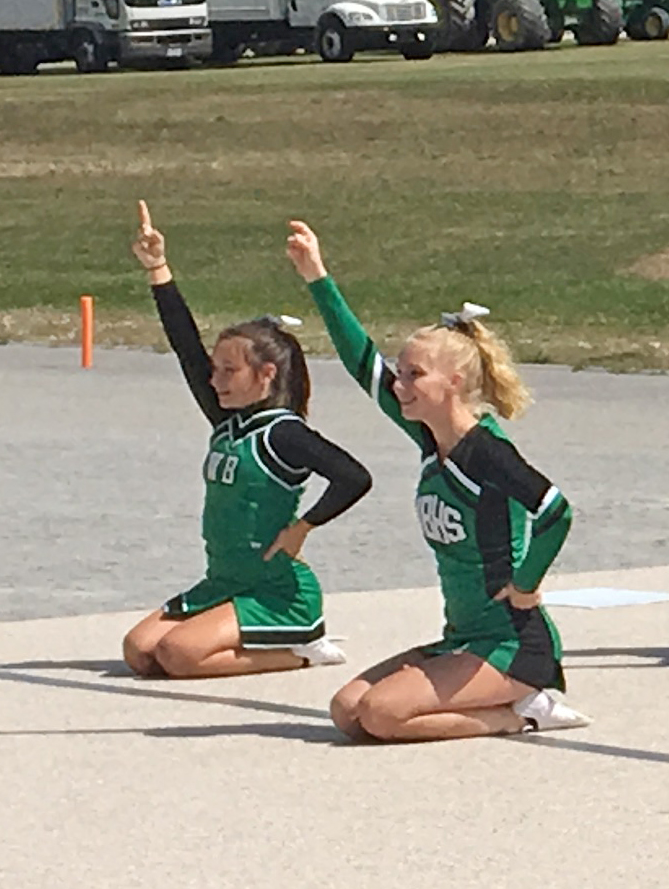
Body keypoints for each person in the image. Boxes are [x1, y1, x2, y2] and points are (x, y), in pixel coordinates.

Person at [289, 222, 586, 741]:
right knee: (347, 709)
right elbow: (362, 364)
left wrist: (527, 585)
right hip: (463, 637)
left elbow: (556, 511)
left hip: (511, 642)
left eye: (413, 375)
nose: (400, 385)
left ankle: (527, 709)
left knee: (382, 715)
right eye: (401, 373)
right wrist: (317, 276)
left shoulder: (487, 452)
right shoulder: (431, 439)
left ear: (453, 383)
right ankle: (505, 700)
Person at [120, 202, 369, 679]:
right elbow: (185, 348)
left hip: (275, 589)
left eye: (229, 371)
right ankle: (232, 629)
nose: (215, 380)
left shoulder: (285, 434)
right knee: (140, 651)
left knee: (179, 655)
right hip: (225, 581)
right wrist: (158, 269)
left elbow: (354, 476)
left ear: (267, 373)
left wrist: (303, 528)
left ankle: (304, 647)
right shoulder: (226, 420)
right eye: (216, 371)